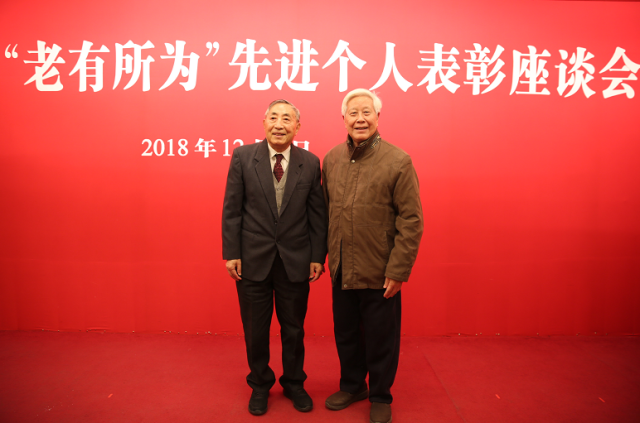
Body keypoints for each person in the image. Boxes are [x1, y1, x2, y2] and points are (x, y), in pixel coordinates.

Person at [322, 89, 423, 423]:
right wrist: (323, 257)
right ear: (344, 119)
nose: (360, 119)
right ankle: (353, 386)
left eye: (367, 112)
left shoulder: (398, 160)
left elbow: (411, 220)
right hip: (341, 267)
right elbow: (325, 212)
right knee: (346, 334)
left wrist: (398, 270)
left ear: (378, 117)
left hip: (380, 270)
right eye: (353, 113)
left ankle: (380, 394)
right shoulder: (332, 159)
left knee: (381, 338)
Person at [222, 99, 327, 416]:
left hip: (295, 260)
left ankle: (294, 383)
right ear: (264, 121)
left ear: (297, 126)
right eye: (274, 118)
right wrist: (232, 253)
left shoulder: (310, 162)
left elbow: (317, 214)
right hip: (252, 258)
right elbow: (232, 209)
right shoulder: (243, 157)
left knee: (293, 329)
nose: (279, 124)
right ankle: (260, 384)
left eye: (287, 119)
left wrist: (317, 255)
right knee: (255, 329)